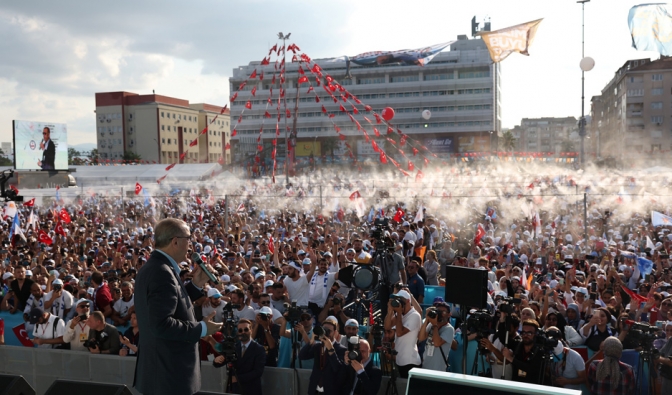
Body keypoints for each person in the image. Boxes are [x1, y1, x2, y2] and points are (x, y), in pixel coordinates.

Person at [134, 218, 223, 395]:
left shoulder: (156, 267)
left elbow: (172, 305)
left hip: (162, 373)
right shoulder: (162, 272)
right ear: (175, 241)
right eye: (188, 238)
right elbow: (161, 324)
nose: (191, 244)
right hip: (169, 377)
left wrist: (196, 285)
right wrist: (203, 328)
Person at [213, 319, 266, 395]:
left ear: (251, 330)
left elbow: (258, 372)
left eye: (246, 329)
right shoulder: (234, 347)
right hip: (235, 389)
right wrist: (216, 360)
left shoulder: (259, 349)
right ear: (238, 332)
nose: (243, 332)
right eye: (240, 330)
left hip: (251, 389)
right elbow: (222, 361)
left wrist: (237, 378)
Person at [300, 316, 347, 395]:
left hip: (331, 390)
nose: (326, 333)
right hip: (315, 389)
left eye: (329, 331)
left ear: (335, 332)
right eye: (324, 330)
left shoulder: (341, 349)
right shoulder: (318, 346)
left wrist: (331, 350)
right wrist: (311, 341)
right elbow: (302, 356)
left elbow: (338, 369)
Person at [383, 290, 421, 378]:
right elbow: (387, 327)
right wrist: (390, 311)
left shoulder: (415, 315)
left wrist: (399, 313)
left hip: (410, 361)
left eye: (400, 300)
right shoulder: (400, 314)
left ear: (408, 301)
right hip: (400, 360)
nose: (398, 302)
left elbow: (400, 333)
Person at [501, 319, 545, 385]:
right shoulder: (518, 345)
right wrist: (502, 318)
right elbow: (502, 337)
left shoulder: (540, 350)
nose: (525, 335)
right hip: (516, 386)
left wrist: (511, 359)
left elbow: (532, 369)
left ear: (536, 334)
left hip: (532, 388)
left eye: (529, 333)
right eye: (523, 332)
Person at [545, 326, 586, 391]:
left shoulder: (575, 357)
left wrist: (568, 381)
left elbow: (583, 379)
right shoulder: (545, 353)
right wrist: (551, 378)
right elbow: (545, 372)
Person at [419, 301, 454, 372]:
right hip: (425, 366)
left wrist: (435, 325)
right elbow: (421, 338)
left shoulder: (449, 329)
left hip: (438, 369)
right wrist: (427, 320)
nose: (440, 314)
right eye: (438, 311)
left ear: (449, 314)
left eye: (443, 312)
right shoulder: (431, 325)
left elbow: (437, 343)